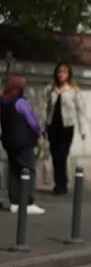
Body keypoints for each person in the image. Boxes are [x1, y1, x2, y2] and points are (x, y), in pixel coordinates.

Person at [1, 77, 45, 214]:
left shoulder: (2, 101)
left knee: (14, 171)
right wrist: (39, 132)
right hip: (23, 141)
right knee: (28, 169)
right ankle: (27, 202)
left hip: (9, 141)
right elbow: (31, 120)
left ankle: (14, 202)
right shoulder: (20, 102)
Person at [45, 62, 88, 195]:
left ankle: (62, 184)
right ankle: (58, 184)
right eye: (59, 72)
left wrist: (83, 129)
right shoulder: (51, 89)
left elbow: (80, 110)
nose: (61, 75)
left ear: (68, 75)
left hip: (66, 127)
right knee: (55, 156)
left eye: (64, 72)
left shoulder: (73, 90)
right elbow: (45, 109)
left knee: (62, 155)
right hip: (52, 126)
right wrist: (42, 126)